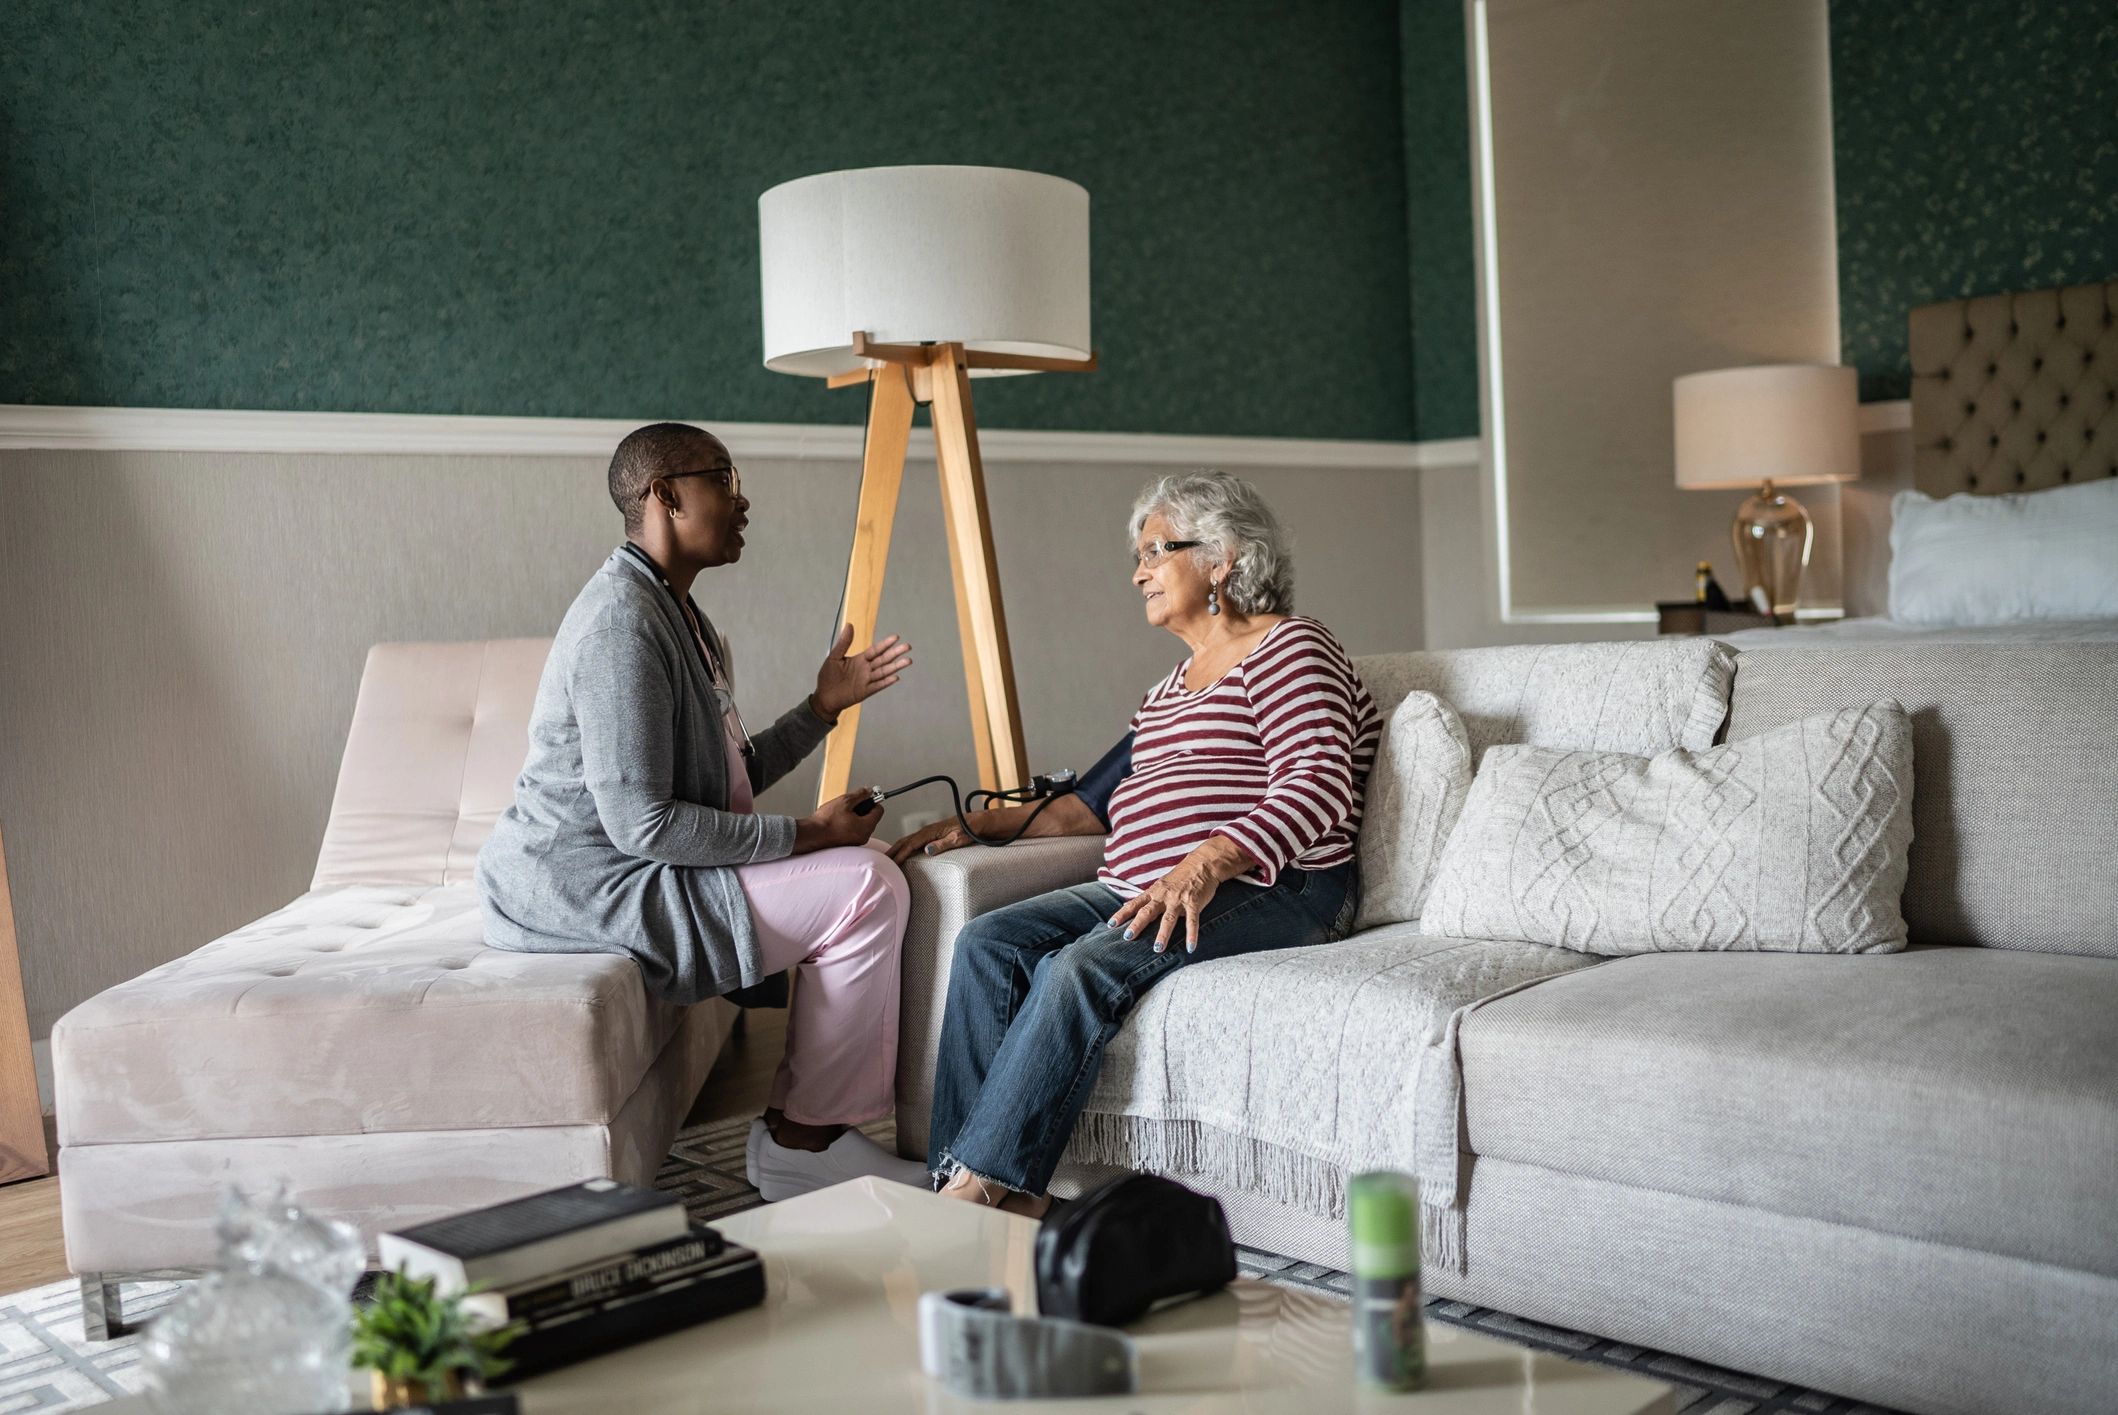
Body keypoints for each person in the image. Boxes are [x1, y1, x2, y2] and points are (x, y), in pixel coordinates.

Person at [891, 470, 1379, 1217]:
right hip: (1138, 881)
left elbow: (1317, 780)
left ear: (1223, 557)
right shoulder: (1166, 692)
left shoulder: (1290, 645)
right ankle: (989, 1192)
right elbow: (1099, 806)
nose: (1138, 571)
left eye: (1157, 549)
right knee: (987, 942)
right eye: (1139, 555)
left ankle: (973, 1195)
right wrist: (981, 824)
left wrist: (1209, 859)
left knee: (1078, 966)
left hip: (1275, 885)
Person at [476, 421, 926, 1200]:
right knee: (865, 885)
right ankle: (806, 1141)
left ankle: (803, 1130)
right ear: (664, 496)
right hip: (586, 886)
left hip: (632, 863)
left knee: (874, 870)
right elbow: (642, 824)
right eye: (722, 476)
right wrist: (809, 832)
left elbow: (719, 779)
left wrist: (819, 709)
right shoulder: (623, 624)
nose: (741, 498)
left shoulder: (680, 618)